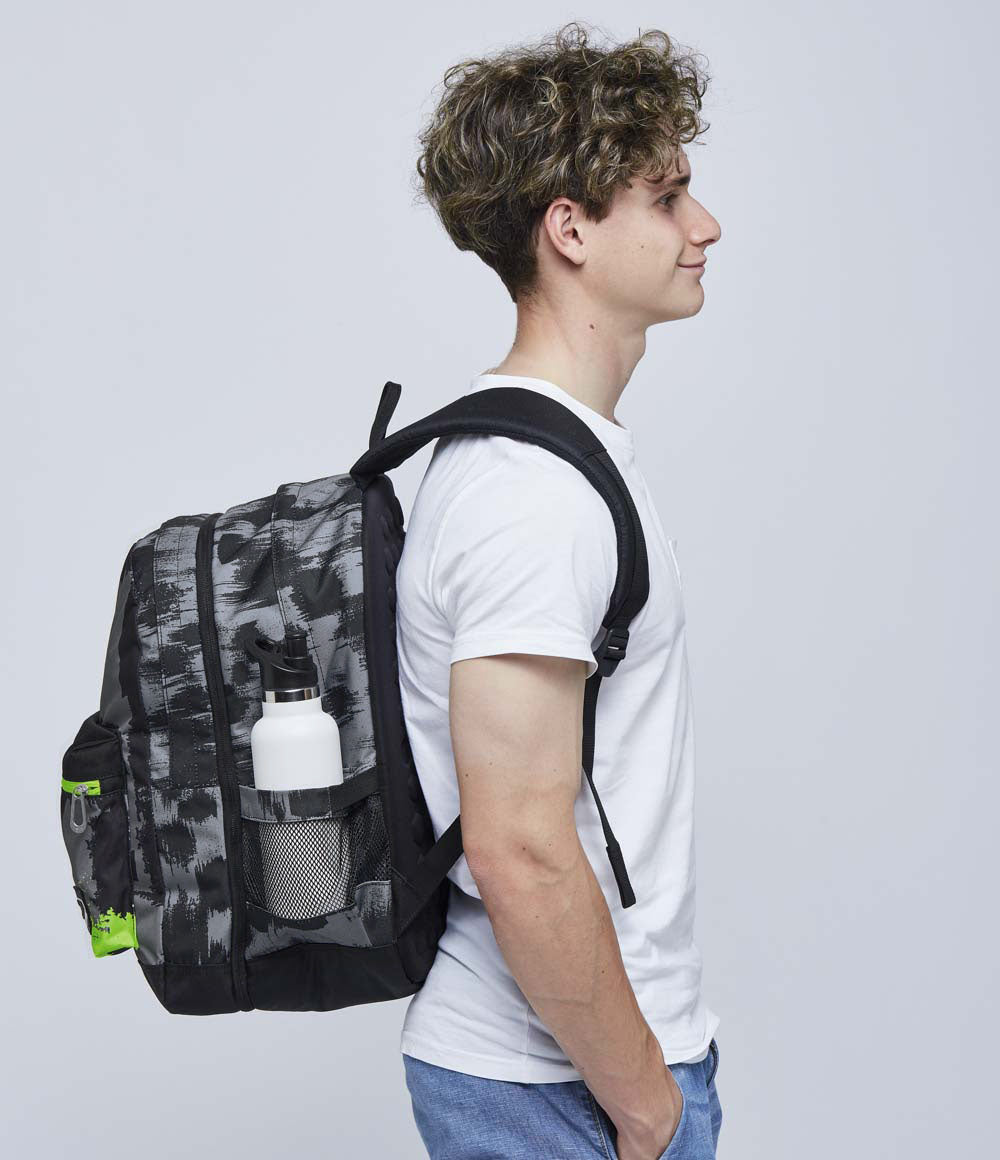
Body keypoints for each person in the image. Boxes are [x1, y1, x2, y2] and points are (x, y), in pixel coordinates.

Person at [395, 22, 723, 1160]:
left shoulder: (557, 462)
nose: (704, 226)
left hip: (586, 1071)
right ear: (570, 228)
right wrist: (646, 1105)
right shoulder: (528, 496)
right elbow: (521, 846)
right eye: (667, 198)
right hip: (556, 1087)